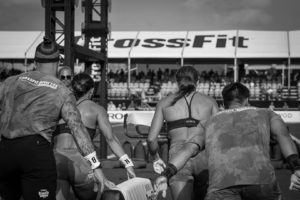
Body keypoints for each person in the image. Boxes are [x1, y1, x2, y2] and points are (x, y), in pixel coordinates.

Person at [0, 37, 114, 200]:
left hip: (6, 150)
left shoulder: (11, 81)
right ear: (58, 62)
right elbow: (77, 129)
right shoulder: (61, 91)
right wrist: (96, 167)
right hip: (36, 152)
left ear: (35, 61)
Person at [155, 82, 300, 200]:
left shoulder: (208, 122)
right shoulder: (267, 114)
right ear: (247, 100)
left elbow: (188, 149)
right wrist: (296, 168)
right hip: (262, 182)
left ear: (223, 104)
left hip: (222, 186)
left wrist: (165, 174)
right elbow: (284, 137)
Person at [53, 72, 136, 200]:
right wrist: (128, 163)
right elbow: (111, 138)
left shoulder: (61, 106)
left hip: (57, 161)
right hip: (80, 164)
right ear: (91, 90)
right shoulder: (97, 109)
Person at [147, 66, 219, 200]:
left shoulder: (164, 103)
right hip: (204, 155)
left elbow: (151, 139)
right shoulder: (210, 102)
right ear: (197, 82)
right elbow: (217, 136)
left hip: (177, 158)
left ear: (177, 82)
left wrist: (156, 158)